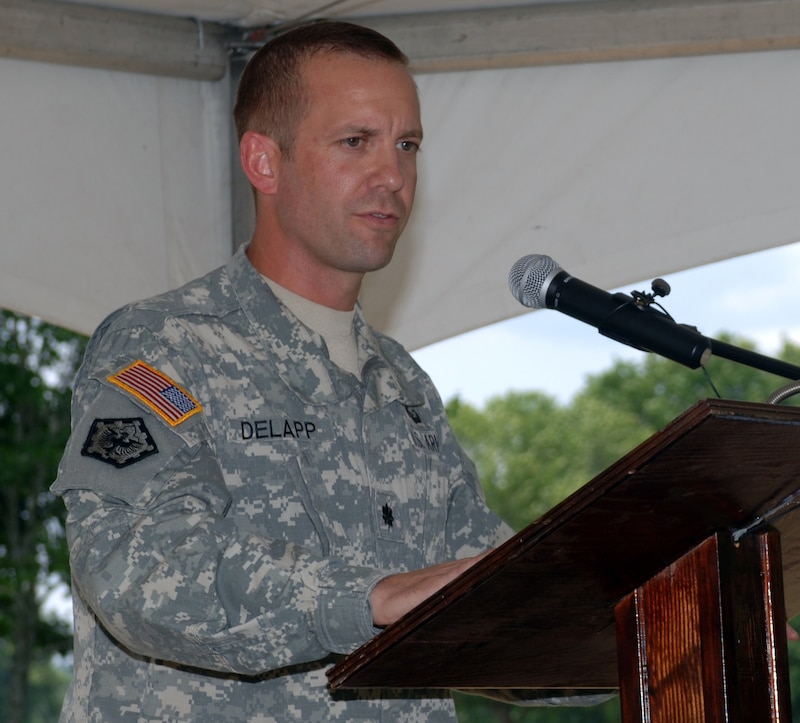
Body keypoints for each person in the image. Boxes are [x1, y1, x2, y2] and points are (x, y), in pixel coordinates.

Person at [51, 20, 539, 722]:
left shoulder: (401, 383)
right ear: (264, 162)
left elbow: (492, 592)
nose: (393, 176)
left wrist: (635, 605)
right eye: (355, 142)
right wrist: (367, 598)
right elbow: (142, 568)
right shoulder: (163, 346)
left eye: (407, 145)